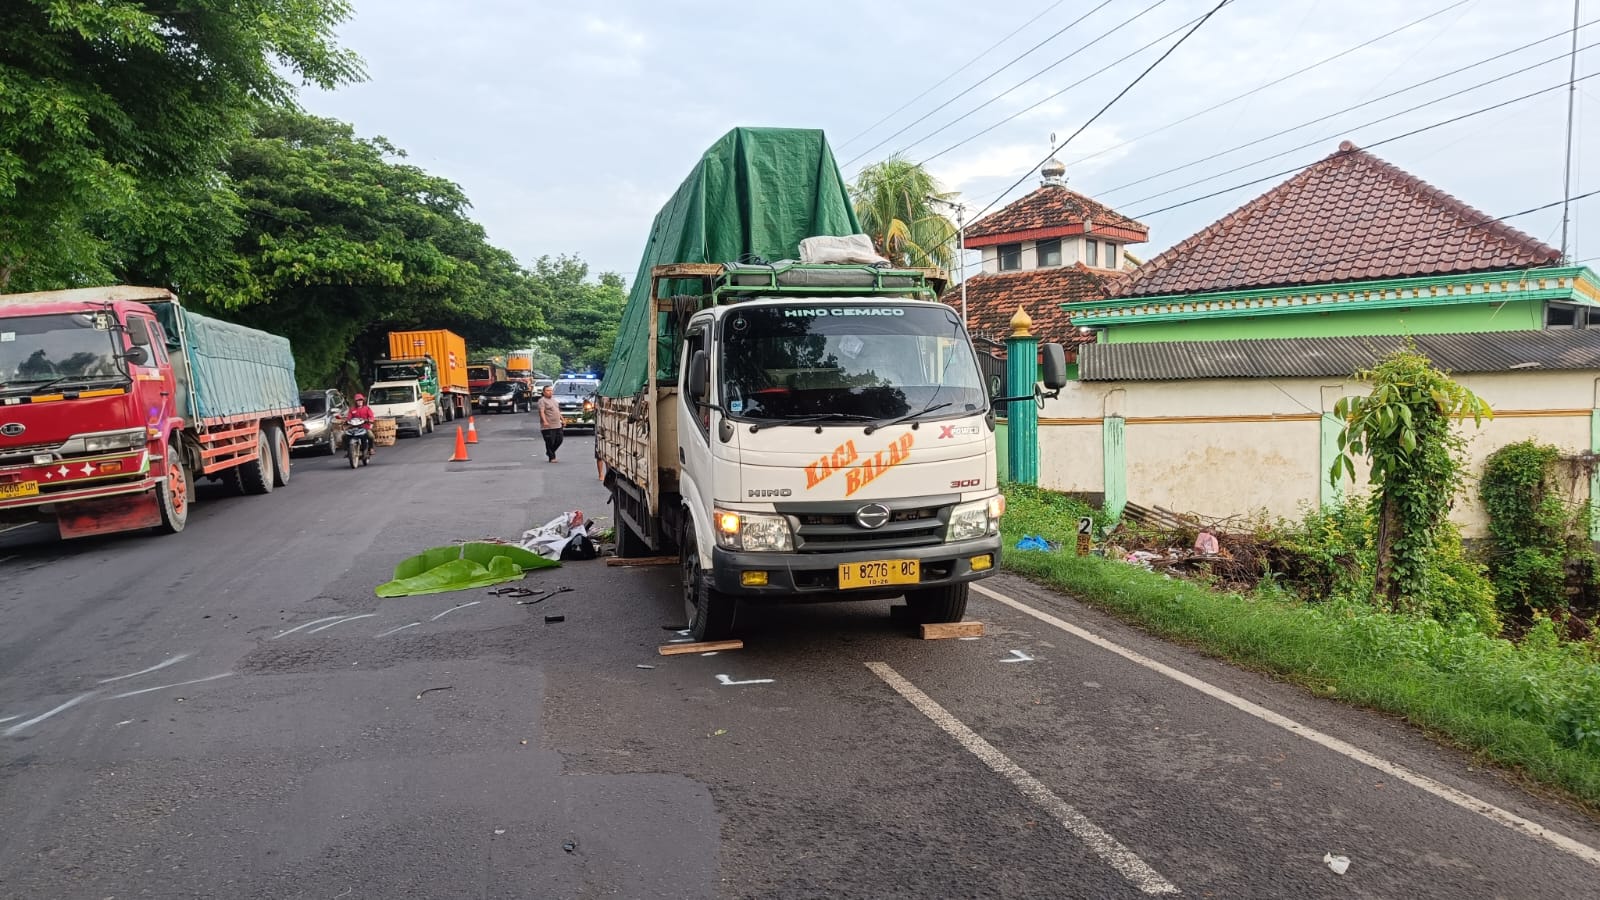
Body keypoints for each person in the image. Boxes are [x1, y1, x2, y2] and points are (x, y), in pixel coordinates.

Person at [537, 385, 564, 462]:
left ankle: (549, 452)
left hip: (557, 424)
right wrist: (544, 421)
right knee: (549, 441)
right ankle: (552, 457)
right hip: (548, 426)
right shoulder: (542, 401)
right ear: (543, 392)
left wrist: (562, 419)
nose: (550, 392)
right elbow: (541, 412)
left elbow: (557, 411)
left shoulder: (554, 400)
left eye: (551, 390)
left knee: (559, 440)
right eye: (548, 391)